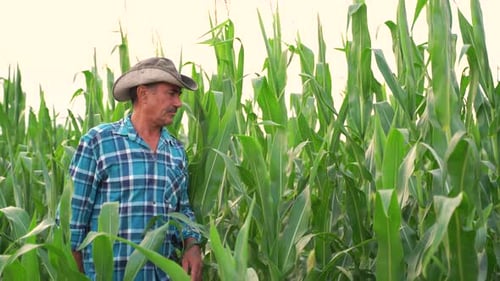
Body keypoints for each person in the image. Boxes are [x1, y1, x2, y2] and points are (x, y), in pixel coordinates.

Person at [69, 57, 203, 281]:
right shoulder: (100, 142)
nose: (179, 103)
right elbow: (72, 222)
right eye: (172, 93)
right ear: (143, 94)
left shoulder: (176, 151)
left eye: (179, 95)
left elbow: (182, 212)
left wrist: (192, 244)